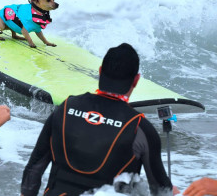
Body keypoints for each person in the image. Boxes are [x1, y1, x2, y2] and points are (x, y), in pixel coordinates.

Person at [21, 43, 176, 196]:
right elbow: (161, 191)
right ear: (136, 80)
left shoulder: (66, 107)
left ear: (100, 72)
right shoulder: (139, 128)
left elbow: (34, 167)